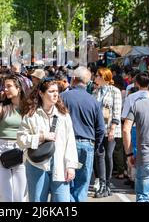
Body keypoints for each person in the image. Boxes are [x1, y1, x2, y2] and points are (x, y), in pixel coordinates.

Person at [17, 78, 79, 202]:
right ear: (41, 93)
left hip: (60, 165)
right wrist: (41, 137)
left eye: (56, 91)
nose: (55, 94)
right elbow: (21, 140)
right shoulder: (31, 115)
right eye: (51, 91)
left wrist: (71, 166)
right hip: (36, 164)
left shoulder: (63, 115)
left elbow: (70, 142)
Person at [61, 66, 105, 202]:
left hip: (66, 144)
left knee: (65, 182)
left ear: (73, 79)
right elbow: (101, 129)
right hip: (87, 144)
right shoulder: (94, 101)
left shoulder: (63, 97)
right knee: (82, 184)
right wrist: (95, 144)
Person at [92, 68, 122, 197]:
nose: (96, 77)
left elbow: (117, 111)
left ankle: (108, 184)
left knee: (108, 155)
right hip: (98, 129)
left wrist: (112, 129)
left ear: (105, 77)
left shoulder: (115, 91)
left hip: (110, 128)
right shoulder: (95, 92)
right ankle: (102, 183)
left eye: (98, 76)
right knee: (99, 155)